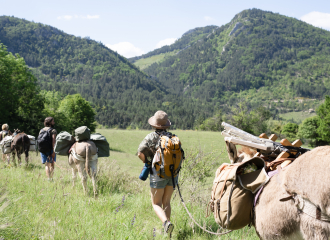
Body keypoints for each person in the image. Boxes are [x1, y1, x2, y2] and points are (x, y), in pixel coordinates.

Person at [137, 111, 178, 237]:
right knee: (167, 203)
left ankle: (166, 223)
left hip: (158, 174)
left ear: (154, 125)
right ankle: (168, 233)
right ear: (166, 125)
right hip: (172, 174)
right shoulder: (173, 137)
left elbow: (140, 153)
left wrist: (146, 162)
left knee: (156, 204)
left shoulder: (150, 137)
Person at [39, 117, 57, 181]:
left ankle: (48, 178)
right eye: (53, 121)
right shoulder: (53, 130)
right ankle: (51, 178)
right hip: (50, 149)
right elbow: (53, 141)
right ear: (49, 122)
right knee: (52, 164)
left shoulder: (41, 130)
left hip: (42, 149)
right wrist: (53, 151)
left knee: (47, 164)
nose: (54, 122)